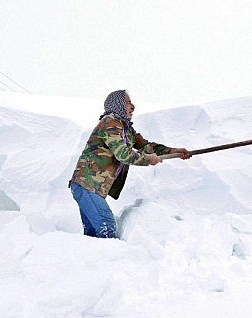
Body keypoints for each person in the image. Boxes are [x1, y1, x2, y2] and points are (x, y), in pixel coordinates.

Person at [69, 90, 190, 238]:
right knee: (107, 227)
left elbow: (146, 146)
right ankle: (111, 259)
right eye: (128, 102)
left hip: (92, 187)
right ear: (118, 104)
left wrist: (173, 151)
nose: (133, 106)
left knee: (93, 235)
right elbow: (123, 154)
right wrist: (149, 159)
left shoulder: (126, 129)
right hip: (86, 184)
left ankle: (90, 259)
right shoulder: (110, 123)